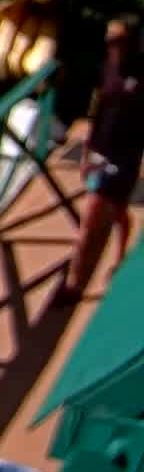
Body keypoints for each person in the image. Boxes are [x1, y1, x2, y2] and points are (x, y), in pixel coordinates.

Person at [61, 15, 143, 300]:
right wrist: (85, 152)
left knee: (118, 211)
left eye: (117, 39)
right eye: (108, 39)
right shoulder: (107, 67)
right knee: (92, 216)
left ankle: (117, 259)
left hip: (126, 156)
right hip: (100, 150)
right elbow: (97, 110)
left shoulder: (141, 74)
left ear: (131, 42)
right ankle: (74, 283)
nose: (111, 44)